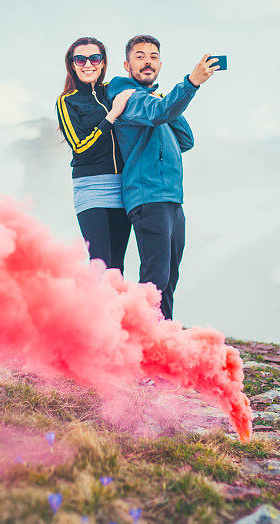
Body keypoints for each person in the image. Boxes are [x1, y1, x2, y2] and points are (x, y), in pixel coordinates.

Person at [107, 35, 218, 319]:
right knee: (155, 280)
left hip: (170, 198)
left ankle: (162, 343)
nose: (148, 62)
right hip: (148, 196)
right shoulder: (127, 96)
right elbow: (158, 114)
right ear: (126, 64)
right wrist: (190, 84)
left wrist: (167, 102)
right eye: (140, 56)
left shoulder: (152, 100)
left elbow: (186, 140)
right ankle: (140, 345)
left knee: (168, 280)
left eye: (154, 57)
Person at [55, 37, 136, 273]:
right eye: (80, 59)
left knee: (116, 266)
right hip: (90, 187)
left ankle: (115, 310)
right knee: (100, 263)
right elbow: (81, 148)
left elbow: (143, 92)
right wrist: (112, 115)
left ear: (103, 63)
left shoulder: (112, 90)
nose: (87, 64)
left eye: (94, 58)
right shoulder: (66, 101)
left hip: (122, 186)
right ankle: (94, 309)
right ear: (72, 64)